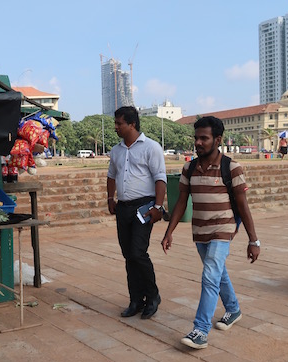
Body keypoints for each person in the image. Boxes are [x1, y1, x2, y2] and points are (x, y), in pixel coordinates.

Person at [161, 116, 260, 349]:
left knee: (209, 275)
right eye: (196, 138)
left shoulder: (231, 168)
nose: (198, 143)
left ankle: (200, 330)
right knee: (218, 273)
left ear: (217, 140)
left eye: (204, 138)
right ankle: (234, 309)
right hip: (200, 231)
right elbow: (181, 202)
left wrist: (253, 240)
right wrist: (169, 232)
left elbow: (243, 206)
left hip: (223, 229)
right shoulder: (189, 168)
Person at [107, 106, 167, 320]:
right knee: (128, 255)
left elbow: (160, 178)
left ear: (132, 124)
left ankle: (152, 296)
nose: (115, 127)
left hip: (144, 207)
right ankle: (135, 299)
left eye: (119, 123)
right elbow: (111, 175)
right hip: (123, 207)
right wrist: (109, 198)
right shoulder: (116, 150)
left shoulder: (151, 147)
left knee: (138, 253)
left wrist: (158, 207)